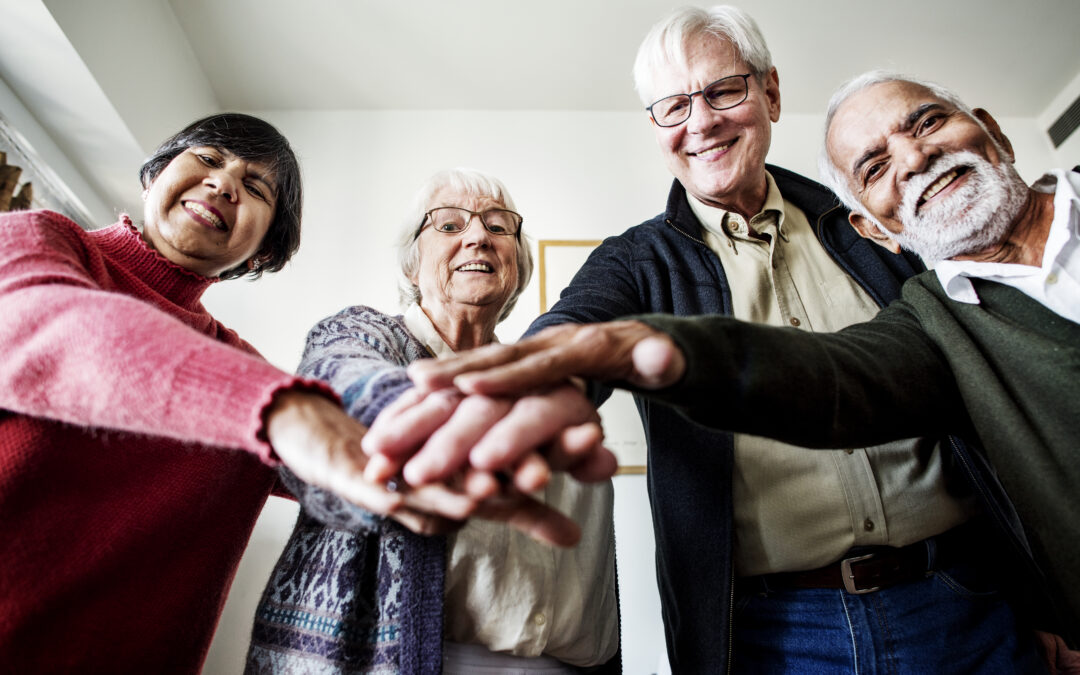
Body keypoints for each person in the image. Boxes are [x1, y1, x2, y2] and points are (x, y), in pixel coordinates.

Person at [365, 9, 1046, 673]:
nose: (702, 122)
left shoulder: (870, 216)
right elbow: (573, 331)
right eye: (673, 106)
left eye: (724, 90)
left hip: (970, 597)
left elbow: (995, 394)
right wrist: (525, 390)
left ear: (770, 92)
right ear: (655, 127)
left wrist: (1051, 596)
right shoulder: (633, 261)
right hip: (774, 632)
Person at [0, 114, 559, 673]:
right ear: (154, 174)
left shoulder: (241, 368)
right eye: (209, 158)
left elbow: (348, 471)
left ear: (265, 250)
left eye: (255, 187)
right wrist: (288, 413)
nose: (223, 184)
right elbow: (57, 326)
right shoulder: (39, 241)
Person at [246, 169, 620, 674]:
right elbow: (341, 381)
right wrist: (412, 417)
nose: (478, 236)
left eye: (498, 226)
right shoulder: (362, 333)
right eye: (448, 225)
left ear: (517, 262)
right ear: (412, 263)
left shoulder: (546, 381)